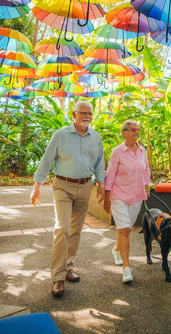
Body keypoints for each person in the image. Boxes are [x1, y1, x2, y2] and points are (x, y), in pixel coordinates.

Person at [31, 100, 105, 298]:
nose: (87, 116)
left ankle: (68, 266)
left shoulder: (95, 137)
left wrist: (101, 184)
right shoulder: (61, 135)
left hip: (85, 186)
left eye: (89, 113)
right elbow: (47, 160)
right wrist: (37, 187)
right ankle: (57, 277)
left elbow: (99, 163)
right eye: (83, 113)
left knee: (75, 231)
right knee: (62, 228)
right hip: (63, 186)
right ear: (74, 114)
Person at [104, 120, 150, 283]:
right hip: (119, 195)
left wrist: (146, 186)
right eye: (132, 129)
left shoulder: (142, 150)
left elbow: (146, 169)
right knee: (123, 229)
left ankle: (117, 249)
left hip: (136, 196)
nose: (136, 132)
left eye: (138, 129)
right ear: (124, 133)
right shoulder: (118, 151)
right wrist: (106, 197)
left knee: (126, 229)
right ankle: (127, 268)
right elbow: (110, 174)